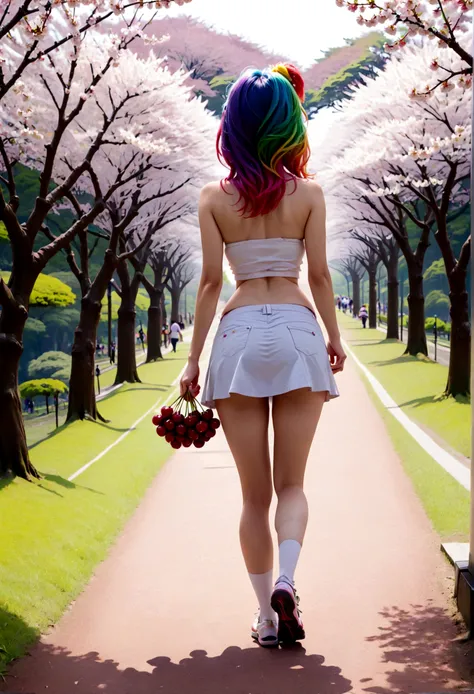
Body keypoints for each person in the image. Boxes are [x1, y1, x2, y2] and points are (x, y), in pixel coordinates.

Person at [180, 63, 345, 649]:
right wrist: (335, 338)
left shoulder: (212, 199)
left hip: (239, 333)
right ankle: (288, 581)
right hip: (299, 330)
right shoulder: (311, 195)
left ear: (233, 125)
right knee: (292, 486)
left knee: (253, 496)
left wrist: (193, 360)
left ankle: (265, 619)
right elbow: (321, 275)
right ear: (287, 124)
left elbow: (206, 285)